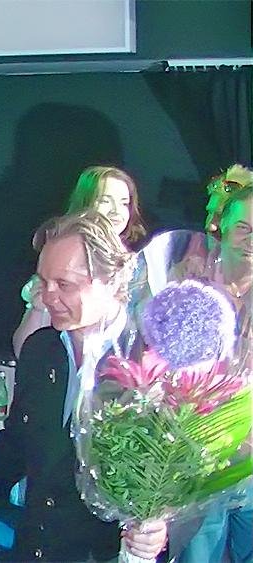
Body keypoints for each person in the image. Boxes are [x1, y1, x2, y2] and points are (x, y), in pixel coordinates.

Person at [0, 210, 168, 561]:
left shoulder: (149, 361)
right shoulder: (41, 349)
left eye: (64, 284)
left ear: (110, 280)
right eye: (43, 281)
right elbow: (19, 437)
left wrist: (160, 529)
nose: (48, 297)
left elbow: (181, 474)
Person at [173, 167, 252, 563]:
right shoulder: (192, 288)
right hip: (202, 467)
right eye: (244, 228)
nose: (251, 239)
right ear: (222, 226)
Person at [13, 165, 148, 357]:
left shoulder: (143, 268)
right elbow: (25, 351)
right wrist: (38, 308)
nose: (116, 211)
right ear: (85, 203)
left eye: (124, 203)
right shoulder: (55, 264)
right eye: (105, 201)